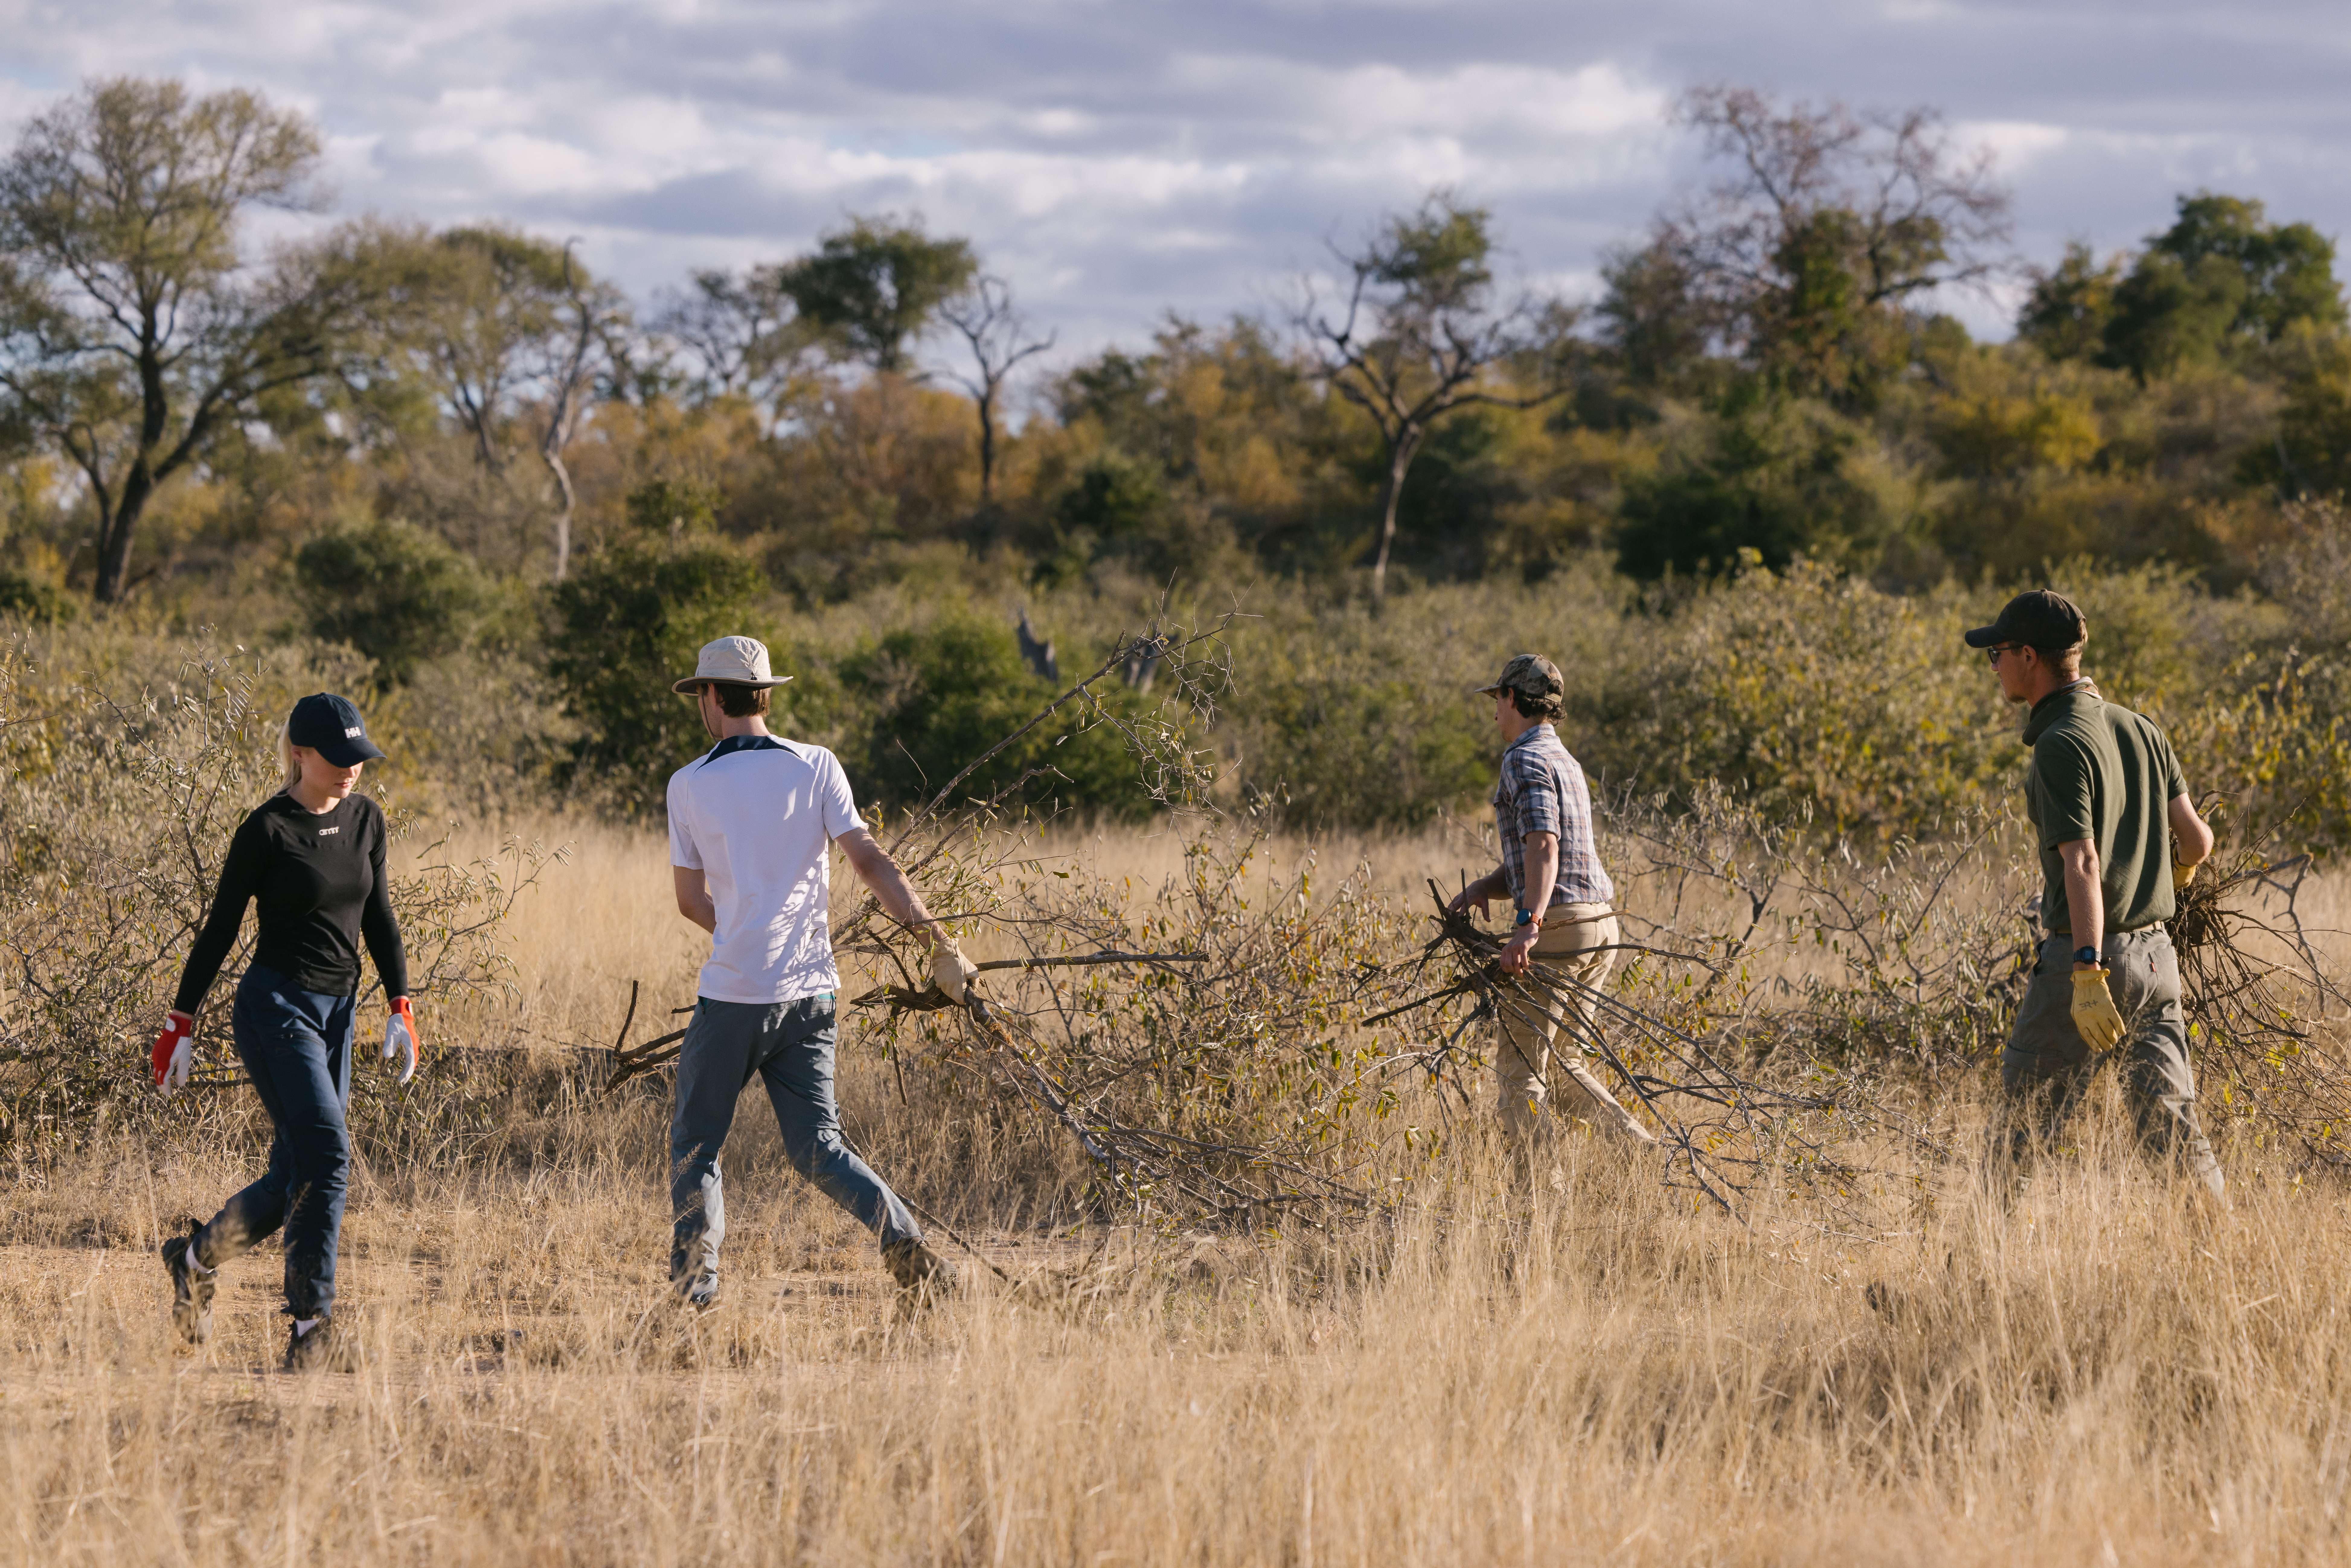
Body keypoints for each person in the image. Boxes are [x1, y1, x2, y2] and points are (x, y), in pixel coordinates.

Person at [663, 635, 970, 1310]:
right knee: (819, 1147)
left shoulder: (688, 784)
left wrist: (746, 932)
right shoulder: (817, 765)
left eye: (701, 698)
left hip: (735, 993)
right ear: (767, 694)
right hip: (811, 993)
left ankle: (695, 1289)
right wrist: (938, 943)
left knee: (696, 1142)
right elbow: (871, 861)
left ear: (713, 696)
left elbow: (690, 902)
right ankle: (910, 1251)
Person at [152, 692, 418, 1372]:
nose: (352, 769)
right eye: (338, 758)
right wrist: (181, 1021)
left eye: (359, 756)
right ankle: (310, 1327)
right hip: (275, 1009)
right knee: (328, 1156)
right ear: (300, 754)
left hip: (338, 1010)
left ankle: (194, 1260)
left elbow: (381, 918)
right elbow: (218, 929)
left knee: (294, 1171)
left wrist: (400, 1005)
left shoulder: (367, 820)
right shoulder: (267, 829)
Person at [1966, 589, 2224, 1205]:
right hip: (2157, 960)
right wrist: (2175, 879)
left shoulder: (2058, 743)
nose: (1993, 665)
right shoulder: (2141, 728)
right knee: (2174, 1131)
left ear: (2030, 656)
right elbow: (2198, 839)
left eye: (1998, 653)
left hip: (2087, 964)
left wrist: (2086, 968)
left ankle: (1966, 1287)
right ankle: (2223, 1255)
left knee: (2021, 1128)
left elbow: (2081, 860)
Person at [1446, 654, 1655, 1151]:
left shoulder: (1522, 758)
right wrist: (1485, 887)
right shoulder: (1564, 758)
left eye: (1498, 698)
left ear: (1513, 698)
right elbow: (1542, 851)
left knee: (1522, 1075)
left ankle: (1540, 1200)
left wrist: (1528, 923)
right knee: (1564, 1066)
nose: (1495, 710)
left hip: (1559, 927)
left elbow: (1544, 844)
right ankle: (1642, 1152)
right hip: (1599, 923)